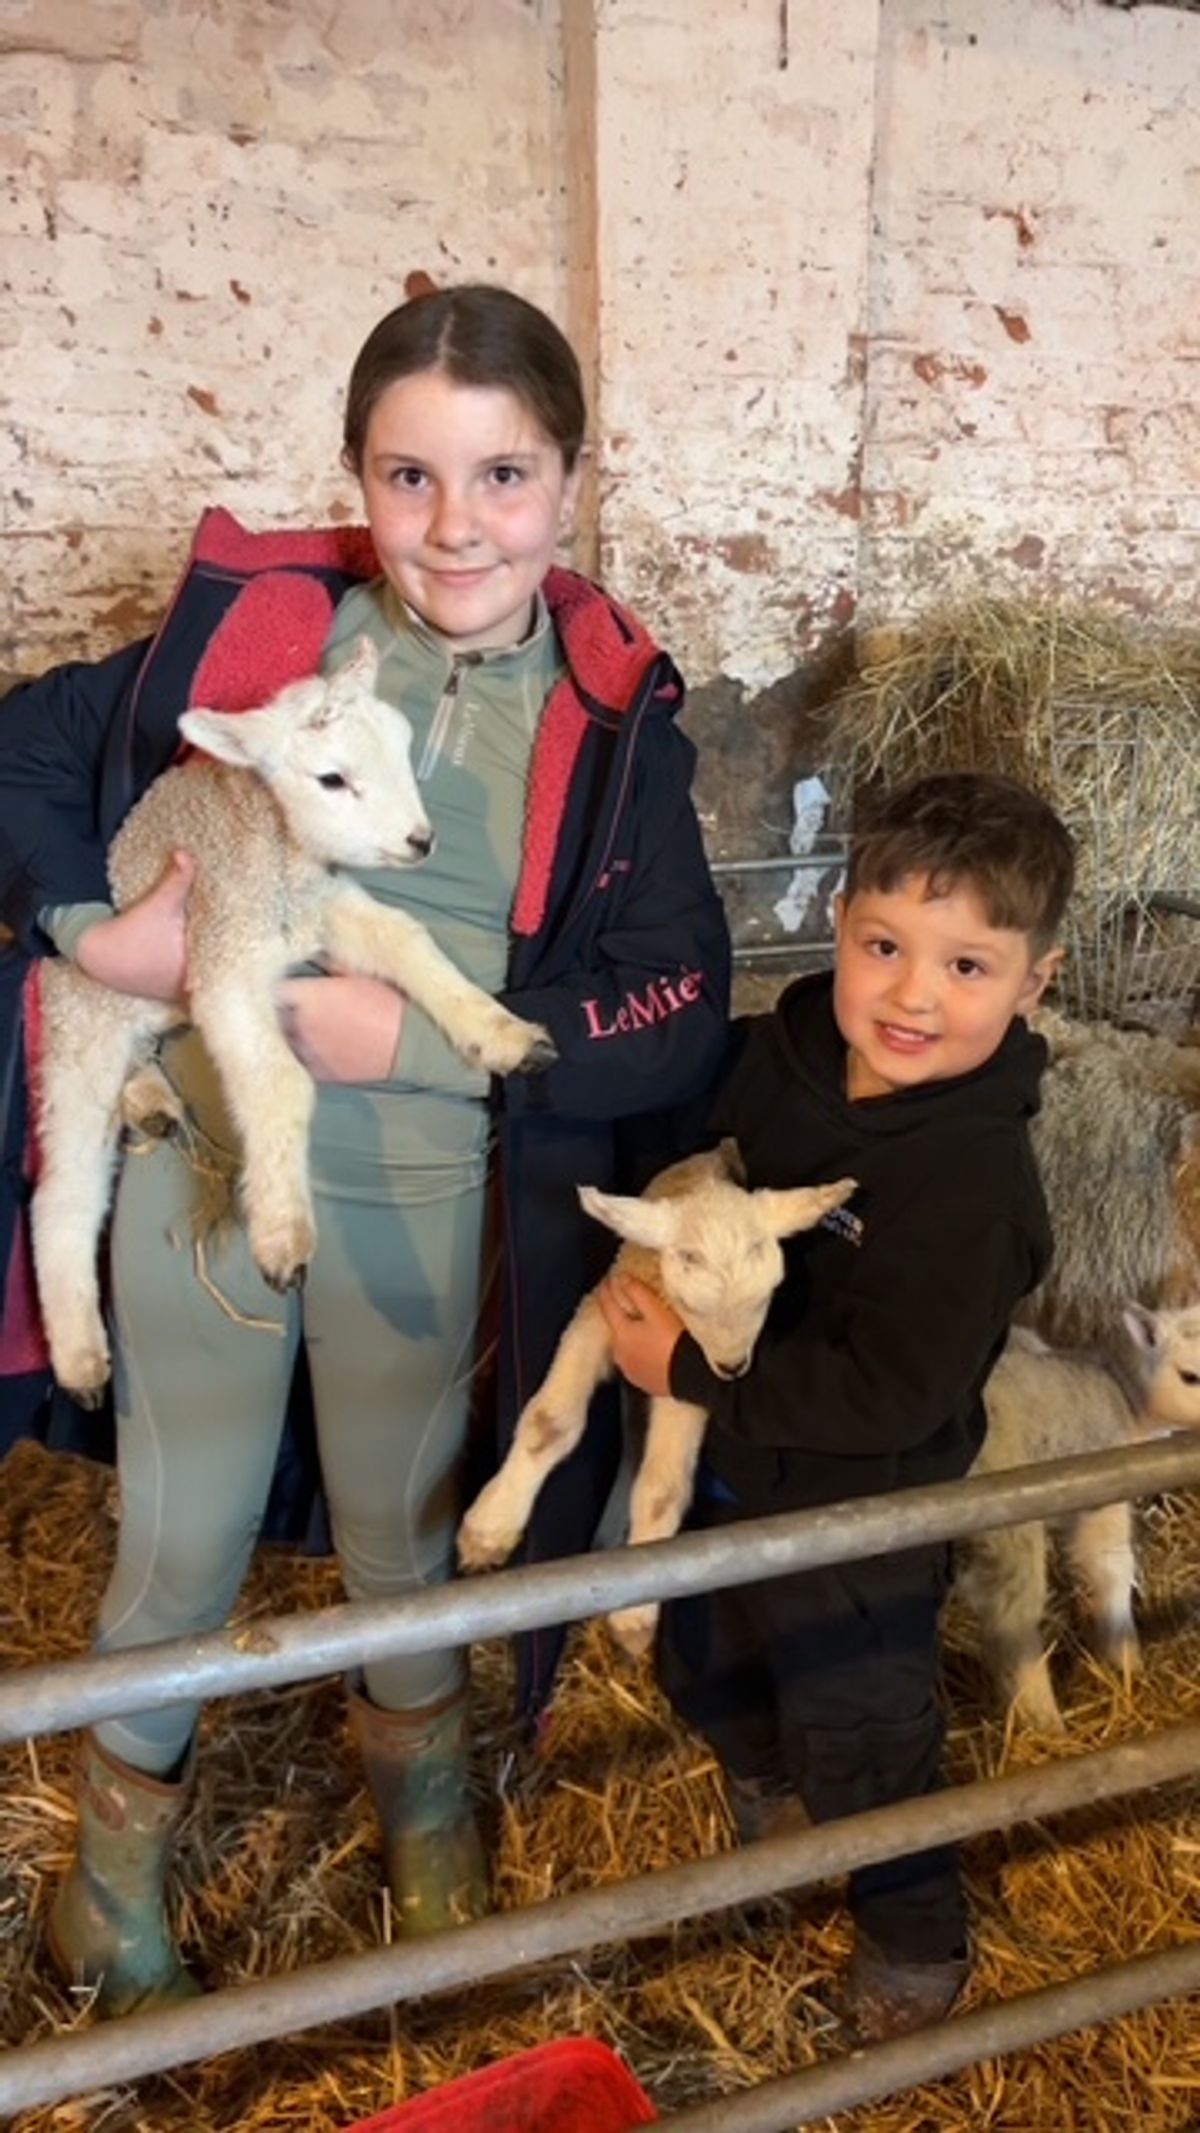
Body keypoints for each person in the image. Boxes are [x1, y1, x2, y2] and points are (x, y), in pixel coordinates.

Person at [0, 283, 731, 2014]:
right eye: (410, 476)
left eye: (502, 474)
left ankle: (426, 1834)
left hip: (429, 1183)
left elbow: (687, 1002)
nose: (456, 523)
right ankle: (112, 1890)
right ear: (358, 475)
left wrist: (426, 1044)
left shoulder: (620, 717)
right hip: (211, 1169)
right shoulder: (253, 642)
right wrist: (93, 932)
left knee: (407, 1530)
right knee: (176, 1545)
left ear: (567, 480)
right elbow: (20, 749)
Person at [597, 769, 1074, 2045]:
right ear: (838, 927)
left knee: (861, 1715)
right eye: (883, 946)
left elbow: (892, 1391)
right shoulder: (794, 1047)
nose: (912, 995)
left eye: (969, 967)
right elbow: (711, 1154)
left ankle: (914, 1938)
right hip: (732, 1465)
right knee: (706, 1652)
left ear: (1037, 980)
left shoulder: (970, 1188)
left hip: (865, 1501)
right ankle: (771, 1797)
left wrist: (683, 1376)